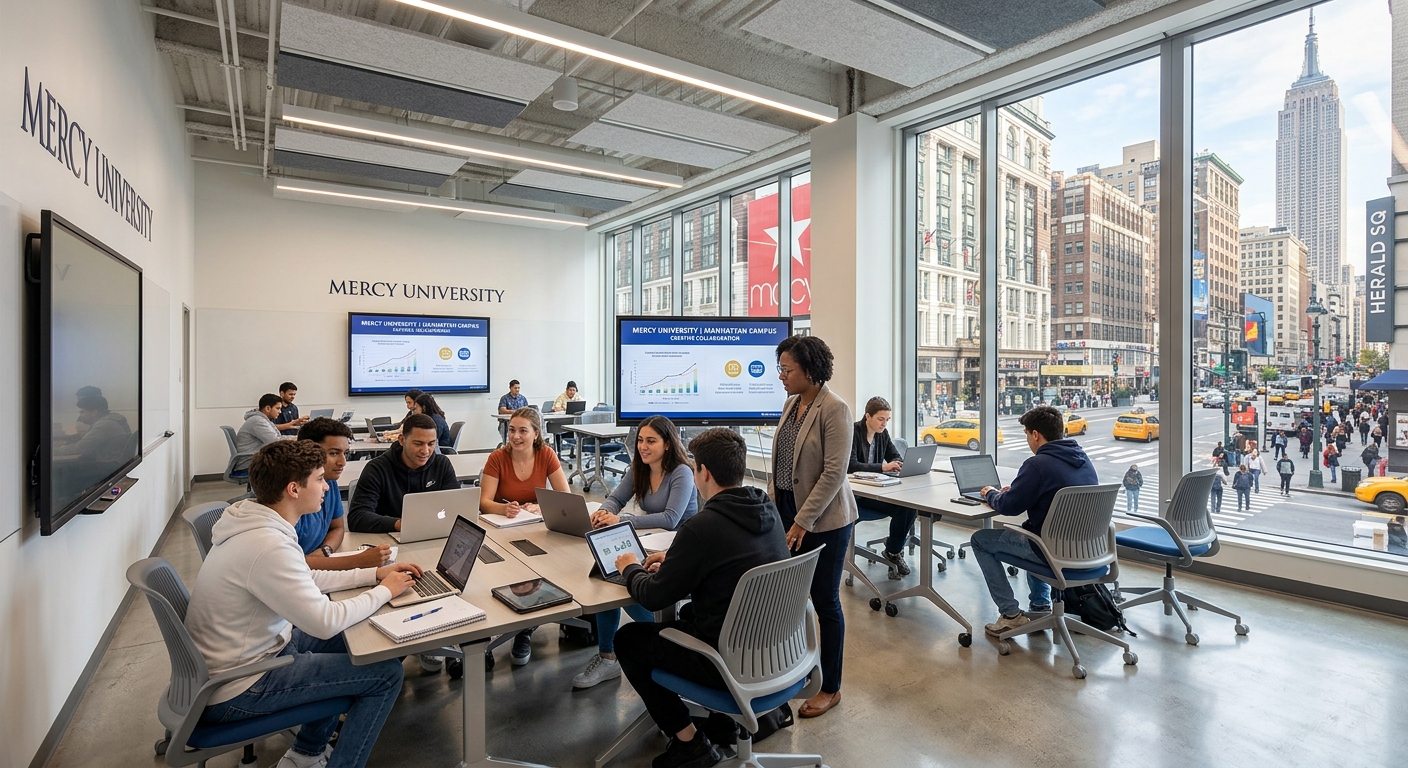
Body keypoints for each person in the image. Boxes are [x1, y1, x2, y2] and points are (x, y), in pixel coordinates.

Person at [185, 439, 422, 768]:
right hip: (240, 687)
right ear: (294, 489)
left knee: (357, 635)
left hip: (251, 657)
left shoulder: (258, 522)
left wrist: (375, 574)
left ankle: (305, 755)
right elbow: (324, 621)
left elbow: (308, 579)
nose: (327, 487)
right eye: (320, 479)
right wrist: (386, 591)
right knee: (386, 674)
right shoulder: (267, 545)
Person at [613, 428, 789, 768]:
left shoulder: (702, 527)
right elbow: (730, 565)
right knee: (692, 611)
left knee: (629, 639)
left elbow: (652, 596)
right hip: (775, 650)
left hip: (730, 661)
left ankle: (690, 742)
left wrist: (629, 567)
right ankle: (722, 722)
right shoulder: (766, 509)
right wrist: (678, 560)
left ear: (703, 472)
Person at [575, 415, 698, 689]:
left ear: (667, 444)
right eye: (641, 440)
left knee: (628, 588)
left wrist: (622, 520)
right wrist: (605, 511)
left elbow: (670, 518)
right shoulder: (640, 467)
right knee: (608, 575)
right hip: (648, 541)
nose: (643, 446)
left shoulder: (682, 471)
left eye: (651, 441)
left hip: (677, 547)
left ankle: (667, 633)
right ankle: (607, 656)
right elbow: (617, 498)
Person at [769, 335, 855, 719]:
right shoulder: (791, 403)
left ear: (810, 370)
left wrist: (803, 521)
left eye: (788, 370)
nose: (782, 376)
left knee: (825, 601)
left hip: (826, 520)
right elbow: (781, 465)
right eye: (781, 369)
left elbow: (834, 472)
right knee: (787, 596)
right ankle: (797, 668)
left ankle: (831, 687)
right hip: (788, 511)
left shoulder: (834, 409)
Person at [972, 405, 1098, 636]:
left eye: (1027, 434)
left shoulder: (1037, 464)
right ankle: (1039, 605)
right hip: (1087, 549)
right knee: (1032, 530)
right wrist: (1017, 490)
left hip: (1051, 550)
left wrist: (991, 493)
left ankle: (1010, 614)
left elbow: (1008, 507)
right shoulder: (1082, 458)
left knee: (981, 540)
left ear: (1036, 434)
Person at [479, 407, 570, 667]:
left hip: (536, 530)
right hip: (501, 530)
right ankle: (489, 634)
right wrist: (503, 508)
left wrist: (541, 506)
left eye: (522, 431)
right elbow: (484, 502)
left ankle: (524, 630)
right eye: (512, 430)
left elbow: (565, 497)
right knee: (502, 577)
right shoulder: (497, 457)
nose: (515, 436)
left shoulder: (546, 455)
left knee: (536, 576)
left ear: (536, 434)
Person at [295, 418, 390, 571]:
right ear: (308, 452)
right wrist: (358, 560)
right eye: (333, 453)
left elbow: (337, 528)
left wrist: (324, 551)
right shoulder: (290, 495)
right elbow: (291, 564)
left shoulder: (330, 482)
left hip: (318, 569)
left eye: (345, 453)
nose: (343, 462)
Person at [346, 414, 460, 534]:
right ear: (401, 440)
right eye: (418, 444)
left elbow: (456, 506)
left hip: (431, 534)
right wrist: (400, 524)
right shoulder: (377, 469)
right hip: (389, 540)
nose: (425, 451)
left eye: (431, 444)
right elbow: (357, 518)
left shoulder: (441, 464)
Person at [847, 397, 916, 579]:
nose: (884, 424)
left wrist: (900, 464)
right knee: (904, 508)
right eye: (880, 419)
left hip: (875, 492)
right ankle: (893, 552)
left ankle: (893, 552)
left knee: (908, 508)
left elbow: (894, 455)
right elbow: (852, 465)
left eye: (887, 420)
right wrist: (882, 467)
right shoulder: (852, 431)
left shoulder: (882, 434)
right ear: (868, 416)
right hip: (856, 496)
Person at [53, 395, 131, 462]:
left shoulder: (105, 425)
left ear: (95, 412)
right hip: (114, 463)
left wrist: (51, 451)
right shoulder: (113, 419)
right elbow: (87, 439)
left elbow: (80, 448)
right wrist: (66, 441)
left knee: (61, 469)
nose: (81, 415)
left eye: (82, 412)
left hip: (106, 465)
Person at [235, 394, 287, 471]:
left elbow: (277, 437)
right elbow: (275, 441)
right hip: (251, 462)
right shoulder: (257, 421)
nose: (280, 412)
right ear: (268, 408)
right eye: (278, 408)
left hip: (256, 458)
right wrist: (294, 439)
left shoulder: (263, 420)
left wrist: (294, 438)